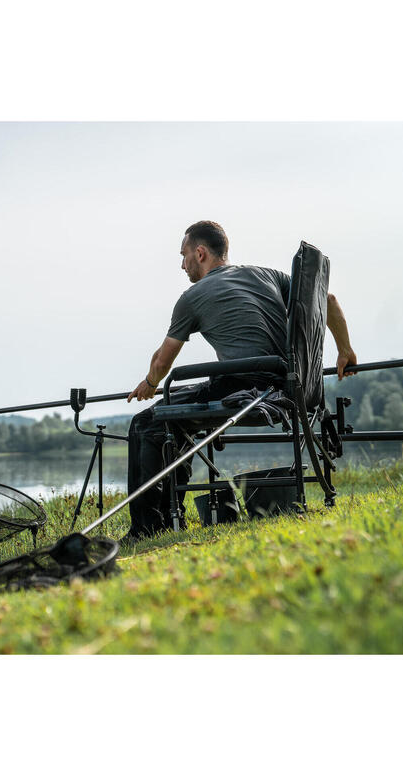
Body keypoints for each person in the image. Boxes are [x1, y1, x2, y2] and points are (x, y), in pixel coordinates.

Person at [123, 220, 357, 542]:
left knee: (147, 423)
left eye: (184, 255)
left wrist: (150, 383)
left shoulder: (192, 297)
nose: (182, 264)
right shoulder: (268, 276)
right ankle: (167, 516)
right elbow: (327, 301)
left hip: (243, 386)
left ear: (201, 253)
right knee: (173, 419)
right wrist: (345, 350)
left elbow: (163, 361)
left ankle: (147, 529)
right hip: (287, 386)